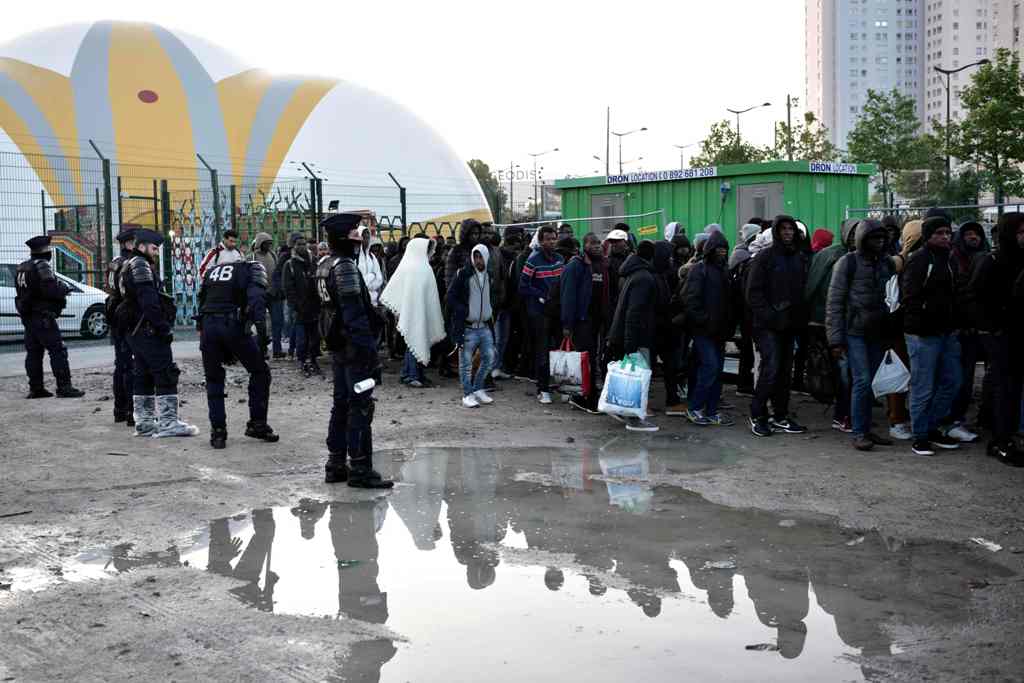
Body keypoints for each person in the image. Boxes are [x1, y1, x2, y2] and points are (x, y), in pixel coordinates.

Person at [317, 213, 392, 489]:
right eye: (352, 234)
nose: (358, 238)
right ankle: (361, 468)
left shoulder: (325, 265)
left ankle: (336, 463)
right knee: (360, 407)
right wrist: (369, 353)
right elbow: (354, 316)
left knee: (341, 404)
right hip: (353, 350)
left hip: (339, 349)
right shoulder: (345, 267)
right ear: (342, 238)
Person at [119, 228, 198, 438]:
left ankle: (144, 423)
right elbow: (149, 301)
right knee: (165, 374)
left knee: (143, 375)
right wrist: (163, 328)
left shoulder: (127, 263)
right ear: (142, 246)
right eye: (154, 248)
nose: (155, 253)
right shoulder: (141, 266)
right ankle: (169, 422)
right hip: (147, 330)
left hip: (134, 332)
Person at [825, 220, 896, 451]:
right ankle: (858, 432)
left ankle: (865, 429)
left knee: (870, 383)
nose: (880, 242)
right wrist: (835, 339)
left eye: (882, 238)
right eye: (875, 238)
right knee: (862, 381)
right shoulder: (847, 263)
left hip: (877, 331)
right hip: (854, 331)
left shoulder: (885, 263)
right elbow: (834, 302)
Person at [196, 258, 279, 449]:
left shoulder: (213, 271)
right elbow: (257, 300)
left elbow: (201, 300)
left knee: (213, 379)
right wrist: (262, 336)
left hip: (208, 327)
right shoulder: (253, 268)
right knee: (260, 372)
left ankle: (218, 432)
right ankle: (257, 424)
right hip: (232, 325)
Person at [964, 212, 1024, 465]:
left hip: (1017, 333)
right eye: (1020, 231)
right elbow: (974, 299)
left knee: (1014, 388)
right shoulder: (991, 261)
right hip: (999, 336)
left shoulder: (1020, 260)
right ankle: (1000, 440)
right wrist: (993, 328)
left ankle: (1006, 435)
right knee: (1005, 387)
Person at [900, 214, 962, 456]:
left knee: (952, 381)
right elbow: (910, 297)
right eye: (939, 233)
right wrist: (924, 322)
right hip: (922, 335)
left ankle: (932, 426)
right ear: (928, 235)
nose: (945, 237)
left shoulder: (950, 259)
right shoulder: (918, 260)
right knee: (922, 387)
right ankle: (920, 435)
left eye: (947, 232)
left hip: (947, 332)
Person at [745, 215, 809, 438]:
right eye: (783, 229)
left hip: (789, 324)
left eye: (791, 229)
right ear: (776, 232)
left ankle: (780, 414)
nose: (788, 232)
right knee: (770, 368)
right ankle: (758, 414)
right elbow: (753, 293)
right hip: (767, 325)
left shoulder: (798, 258)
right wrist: (771, 316)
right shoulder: (765, 257)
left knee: (784, 371)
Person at [14, 235, 84, 399]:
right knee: (57, 351)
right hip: (43, 316)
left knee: (34, 353)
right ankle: (64, 387)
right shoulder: (42, 266)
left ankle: (36, 388)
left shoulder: (22, 267)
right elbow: (51, 290)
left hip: (29, 316)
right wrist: (64, 289)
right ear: (44, 251)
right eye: (48, 249)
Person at [805, 219, 858, 432]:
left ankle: (847, 412)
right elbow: (817, 287)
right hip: (826, 322)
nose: (856, 237)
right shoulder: (834, 256)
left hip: (844, 323)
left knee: (846, 372)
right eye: (852, 233)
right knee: (841, 371)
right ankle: (842, 415)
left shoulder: (859, 257)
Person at [942, 220, 990, 443]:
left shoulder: (986, 258)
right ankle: (951, 421)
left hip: (980, 329)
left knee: (970, 378)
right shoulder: (953, 259)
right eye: (968, 234)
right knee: (957, 378)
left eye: (977, 234)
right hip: (959, 330)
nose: (974, 237)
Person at [681, 231, 734, 426]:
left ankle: (710, 410)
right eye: (718, 248)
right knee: (711, 367)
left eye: (724, 248)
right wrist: (703, 320)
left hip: (718, 329)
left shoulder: (723, 270)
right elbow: (690, 299)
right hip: (704, 330)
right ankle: (695, 407)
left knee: (716, 369)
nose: (721, 251)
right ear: (710, 249)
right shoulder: (699, 270)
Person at [608, 240, 660, 432]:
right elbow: (634, 312)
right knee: (638, 378)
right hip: (637, 336)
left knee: (630, 378)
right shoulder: (644, 278)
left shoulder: (633, 273)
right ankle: (634, 419)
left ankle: (624, 412)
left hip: (628, 334)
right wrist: (631, 344)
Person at [380, 237, 445, 390]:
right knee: (414, 342)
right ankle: (411, 375)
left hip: (417, 313)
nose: (431, 252)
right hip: (413, 314)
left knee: (415, 342)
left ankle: (413, 374)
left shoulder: (415, 266)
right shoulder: (417, 268)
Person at [562, 233, 608, 414]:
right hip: (582, 321)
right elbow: (568, 296)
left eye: (598, 243)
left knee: (594, 358)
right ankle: (581, 397)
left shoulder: (602, 265)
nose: (597, 246)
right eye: (593, 243)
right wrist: (567, 325)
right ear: (585, 245)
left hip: (598, 320)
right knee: (584, 359)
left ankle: (589, 394)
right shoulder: (575, 266)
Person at [447, 244, 497, 408]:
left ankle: (478, 388)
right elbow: (451, 297)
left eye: (480, 256)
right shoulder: (463, 274)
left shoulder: (489, 275)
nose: (478, 260)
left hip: (484, 326)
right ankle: (467, 394)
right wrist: (462, 310)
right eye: (475, 256)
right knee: (466, 364)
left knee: (489, 358)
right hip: (468, 327)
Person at [519, 224, 564, 404]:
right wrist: (542, 296)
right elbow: (523, 286)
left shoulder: (560, 258)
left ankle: (563, 387)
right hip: (540, 313)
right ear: (541, 240)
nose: (552, 242)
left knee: (560, 349)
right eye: (548, 239)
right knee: (543, 351)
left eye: (554, 238)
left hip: (557, 311)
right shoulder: (533, 259)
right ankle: (543, 389)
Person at [105, 228, 136, 421]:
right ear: (129, 243)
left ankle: (119, 409)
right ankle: (132, 410)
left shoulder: (114, 262)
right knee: (132, 366)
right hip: (129, 317)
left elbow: (108, 288)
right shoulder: (131, 263)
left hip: (115, 315)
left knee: (120, 365)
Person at [729, 223, 762, 396]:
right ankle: (744, 384)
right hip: (745, 309)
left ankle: (745, 382)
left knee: (748, 348)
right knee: (748, 348)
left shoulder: (741, 253)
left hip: (744, 308)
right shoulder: (743, 256)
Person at [282, 236, 319, 376]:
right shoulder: (290, 265)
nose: (303, 247)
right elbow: (288, 288)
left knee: (314, 338)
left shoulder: (313, 262)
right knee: (302, 339)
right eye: (299, 244)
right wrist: (296, 305)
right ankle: (303, 362)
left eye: (304, 244)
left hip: (314, 307)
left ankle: (313, 361)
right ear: (294, 246)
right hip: (299, 309)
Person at [249, 232, 278, 358]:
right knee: (260, 323)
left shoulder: (273, 255)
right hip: (258, 295)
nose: (269, 246)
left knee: (277, 322)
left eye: (270, 243)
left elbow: (276, 273)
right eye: (267, 243)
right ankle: (262, 349)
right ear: (261, 243)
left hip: (273, 294)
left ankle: (277, 350)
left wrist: (274, 289)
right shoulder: (252, 257)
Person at [272, 235, 295, 359]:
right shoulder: (285, 257)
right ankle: (288, 347)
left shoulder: (274, 255)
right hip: (282, 293)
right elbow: (277, 274)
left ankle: (289, 347)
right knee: (287, 318)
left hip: (287, 293)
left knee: (288, 319)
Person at [446, 219, 483, 289]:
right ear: (465, 234)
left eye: (477, 234)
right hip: (461, 292)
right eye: (472, 233)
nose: (475, 236)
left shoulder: (480, 249)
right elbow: (450, 276)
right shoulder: (456, 250)